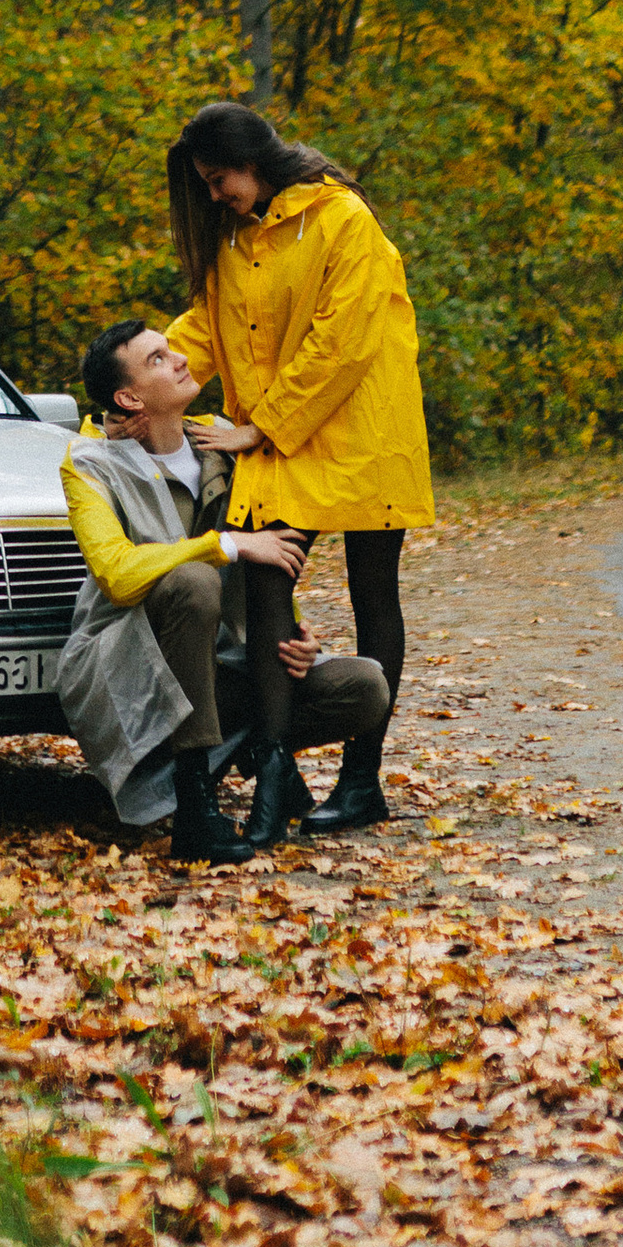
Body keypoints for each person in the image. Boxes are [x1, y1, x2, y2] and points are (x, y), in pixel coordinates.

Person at [150, 98, 433, 840]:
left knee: (376, 594)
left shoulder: (343, 219)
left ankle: (363, 779)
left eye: (219, 180)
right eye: (207, 186)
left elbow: (346, 338)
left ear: (253, 161)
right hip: (282, 433)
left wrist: (260, 425)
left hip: (362, 427)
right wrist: (133, 398)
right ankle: (278, 766)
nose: (214, 196)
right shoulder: (239, 240)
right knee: (270, 580)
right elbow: (201, 334)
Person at [57, 318, 392, 866]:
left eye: (170, 351)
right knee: (193, 579)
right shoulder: (90, 462)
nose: (181, 359)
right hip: (132, 668)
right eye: (159, 359)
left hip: (219, 667)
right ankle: (195, 805)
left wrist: (293, 631)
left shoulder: (222, 441)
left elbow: (272, 550)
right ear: (128, 397)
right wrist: (227, 545)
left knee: (364, 688)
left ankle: (266, 762)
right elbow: (116, 574)